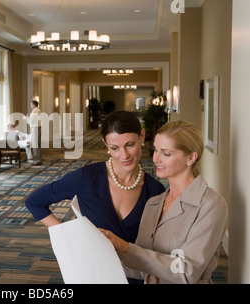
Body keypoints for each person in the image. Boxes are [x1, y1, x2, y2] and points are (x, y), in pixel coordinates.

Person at [25, 111, 166, 284]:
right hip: (93, 274)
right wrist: (69, 235)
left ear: (142, 136)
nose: (124, 155)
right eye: (114, 148)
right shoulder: (86, 178)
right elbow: (35, 202)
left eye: (130, 144)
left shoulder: (155, 190)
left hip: (136, 277)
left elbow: (158, 246)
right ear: (105, 145)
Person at [101, 121, 228, 284]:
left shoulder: (212, 205)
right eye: (155, 150)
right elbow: (141, 267)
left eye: (166, 154)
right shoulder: (154, 203)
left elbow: (187, 272)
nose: (155, 159)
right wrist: (105, 251)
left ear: (191, 158)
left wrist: (126, 247)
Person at [24, 100, 42, 166]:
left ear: (34, 105)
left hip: (35, 128)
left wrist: (27, 118)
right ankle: (39, 159)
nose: (30, 106)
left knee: (35, 144)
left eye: (31, 104)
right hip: (38, 128)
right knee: (37, 144)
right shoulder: (38, 110)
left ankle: (37, 160)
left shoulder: (35, 111)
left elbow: (32, 122)